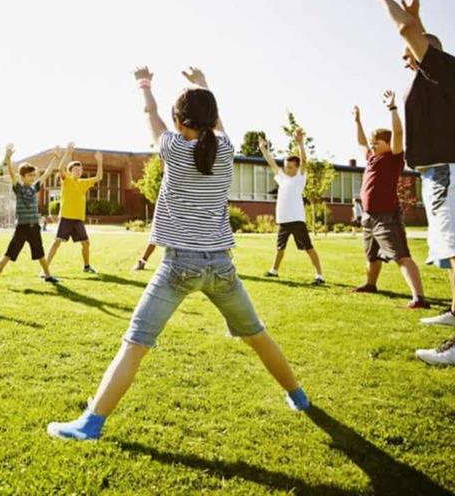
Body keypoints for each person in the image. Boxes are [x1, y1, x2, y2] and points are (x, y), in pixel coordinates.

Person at [47, 66, 309, 441]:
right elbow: (214, 121)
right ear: (211, 118)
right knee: (257, 335)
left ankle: (91, 423)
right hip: (221, 265)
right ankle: (298, 397)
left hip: (177, 266)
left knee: (135, 344)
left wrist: (144, 84)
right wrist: (202, 84)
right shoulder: (227, 149)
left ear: (178, 120)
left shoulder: (172, 148)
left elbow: (149, 114)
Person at [378, 0, 455, 365]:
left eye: (412, 53)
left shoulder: (442, 70)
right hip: (445, 171)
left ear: (428, 51)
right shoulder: (439, 77)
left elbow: (408, 31)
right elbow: (414, 33)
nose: (405, 58)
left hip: (450, 171)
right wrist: (417, 26)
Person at [351, 92, 428, 308]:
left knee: (400, 256)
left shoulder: (394, 157)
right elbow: (361, 142)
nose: (372, 146)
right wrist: (357, 120)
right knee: (371, 255)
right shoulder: (372, 157)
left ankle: (419, 298)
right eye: (373, 143)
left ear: (388, 143)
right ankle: (370, 284)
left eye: (377, 143)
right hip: (368, 216)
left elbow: (399, 132)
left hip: (386, 216)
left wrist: (392, 109)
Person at [0, 144, 59, 288]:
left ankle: (48, 275)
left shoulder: (35, 187)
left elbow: (46, 174)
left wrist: (55, 158)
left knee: (40, 254)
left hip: (34, 228)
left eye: (34, 175)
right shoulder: (19, 188)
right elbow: (12, 174)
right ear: (23, 176)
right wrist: (8, 158)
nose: (33, 177)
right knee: (9, 254)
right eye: (30, 175)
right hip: (22, 228)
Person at [259, 133, 325, 285]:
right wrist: (263, 149)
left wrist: (300, 143)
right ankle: (273, 271)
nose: (286, 169)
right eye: (285, 166)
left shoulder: (300, 177)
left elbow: (304, 161)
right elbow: (271, 163)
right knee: (279, 248)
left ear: (296, 168)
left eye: (290, 167)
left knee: (308, 248)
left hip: (297, 220)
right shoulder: (282, 177)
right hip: (283, 220)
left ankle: (319, 275)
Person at [43, 143, 103, 274]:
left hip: (78, 220)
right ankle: (45, 269)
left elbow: (99, 177)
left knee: (86, 243)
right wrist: (68, 153)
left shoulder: (84, 183)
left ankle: (87, 267)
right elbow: (60, 168)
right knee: (56, 243)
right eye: (76, 169)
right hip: (66, 218)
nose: (79, 171)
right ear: (70, 171)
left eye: (80, 170)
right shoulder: (67, 180)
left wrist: (99, 162)